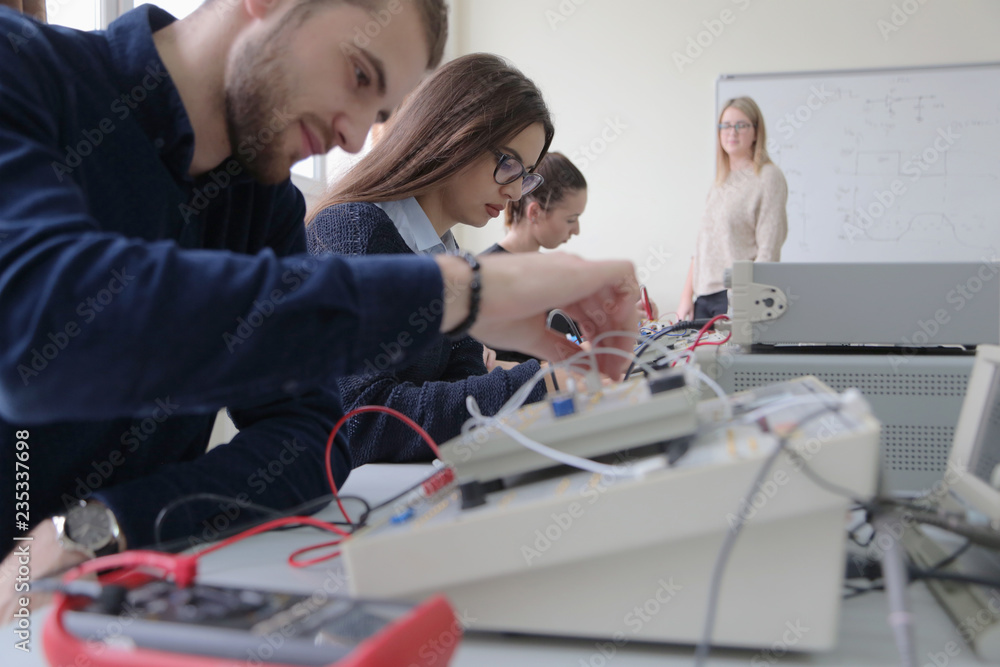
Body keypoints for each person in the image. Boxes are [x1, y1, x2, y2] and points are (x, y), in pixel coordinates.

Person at [0, 0, 640, 616]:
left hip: (95, 596)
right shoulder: (20, 66)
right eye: (359, 74)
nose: (357, 133)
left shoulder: (263, 204)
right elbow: (42, 332)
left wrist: (104, 525)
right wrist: (459, 292)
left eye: (380, 108)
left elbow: (313, 441)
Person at [307, 53, 564, 465]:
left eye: (526, 175)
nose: (516, 193)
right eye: (509, 164)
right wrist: (542, 381)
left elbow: (466, 391)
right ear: (454, 132)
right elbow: (361, 421)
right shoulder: (353, 231)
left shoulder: (445, 256)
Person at [677, 96, 788, 321]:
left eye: (741, 125)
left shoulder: (768, 177)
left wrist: (747, 303)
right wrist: (686, 297)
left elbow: (768, 250)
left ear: (756, 132)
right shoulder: (720, 181)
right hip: (704, 299)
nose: (732, 132)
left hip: (734, 299)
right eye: (726, 125)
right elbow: (701, 246)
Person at [482, 151, 586, 256]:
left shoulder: (551, 268)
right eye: (571, 220)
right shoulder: (482, 269)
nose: (577, 231)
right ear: (535, 212)